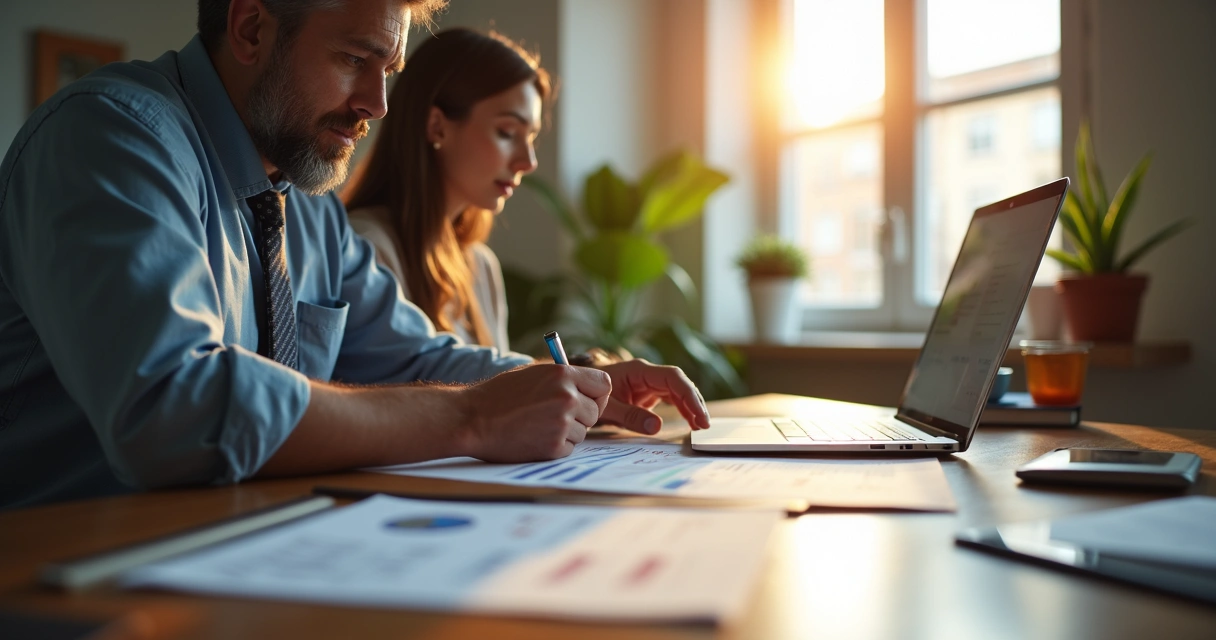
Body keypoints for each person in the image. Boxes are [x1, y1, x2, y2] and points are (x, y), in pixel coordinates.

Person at [0, 0, 710, 510]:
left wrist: (575, 387)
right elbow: (173, 409)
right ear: (251, 28)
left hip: (236, 550)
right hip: (70, 574)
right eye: (353, 60)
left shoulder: (304, 197)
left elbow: (419, 358)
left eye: (390, 69)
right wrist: (472, 418)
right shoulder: (111, 138)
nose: (378, 103)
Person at [343, 28, 546, 353]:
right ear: (437, 125)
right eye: (508, 132)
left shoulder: (480, 266)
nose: (528, 161)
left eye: (531, 136)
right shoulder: (364, 251)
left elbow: (503, 394)